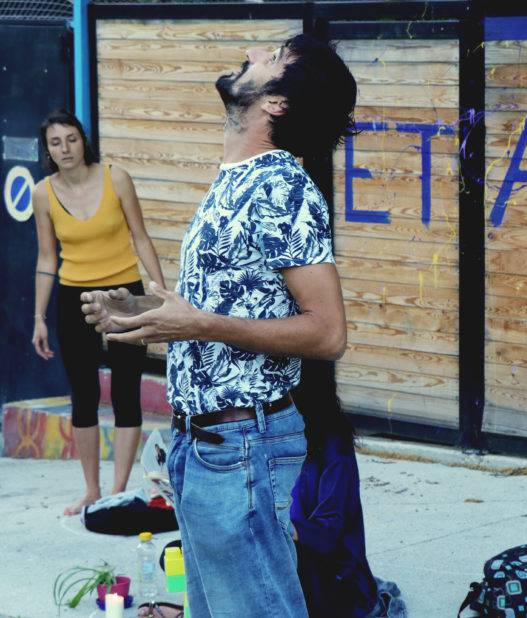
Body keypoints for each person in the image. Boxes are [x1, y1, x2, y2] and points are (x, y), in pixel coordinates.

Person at [82, 34, 355, 617]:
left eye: (275, 58)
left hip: (243, 452)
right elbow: (234, 309)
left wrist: (198, 322)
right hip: (202, 449)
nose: (255, 54)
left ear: (277, 103)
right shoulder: (237, 178)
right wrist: (147, 312)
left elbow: (328, 332)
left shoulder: (281, 186)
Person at [31, 109, 165, 516]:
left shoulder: (115, 177)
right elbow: (46, 258)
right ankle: (91, 490)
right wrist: (38, 316)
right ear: (48, 150)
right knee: (84, 396)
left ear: (82, 140)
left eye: (71, 139)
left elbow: (140, 237)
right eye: (56, 142)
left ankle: (117, 490)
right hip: (74, 297)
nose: (65, 148)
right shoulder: (43, 193)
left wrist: (160, 294)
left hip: (124, 292)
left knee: (126, 391)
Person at [290, 394, 405, 617]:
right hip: (287, 568)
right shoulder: (267, 437)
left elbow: (329, 529)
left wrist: (283, 528)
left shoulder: (333, 444)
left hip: (332, 581)